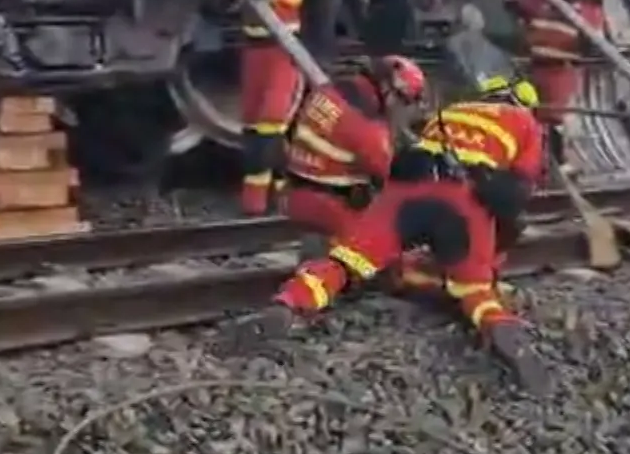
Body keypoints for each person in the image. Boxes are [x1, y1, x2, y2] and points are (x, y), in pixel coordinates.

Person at [236, 76, 552, 392]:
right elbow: (516, 194)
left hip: (406, 192)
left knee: (347, 260)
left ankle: (288, 303)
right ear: (523, 104)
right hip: (463, 202)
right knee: (475, 291)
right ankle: (500, 327)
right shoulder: (526, 123)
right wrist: (492, 251)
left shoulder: (453, 111)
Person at [274, 55, 427, 233]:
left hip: (292, 193)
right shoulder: (369, 127)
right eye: (403, 101)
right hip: (329, 208)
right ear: (387, 89)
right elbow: (386, 175)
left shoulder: (331, 89)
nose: (401, 108)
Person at [225, 0, 309, 216]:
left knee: (268, 130)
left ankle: (258, 204)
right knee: (253, 130)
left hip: (281, 55)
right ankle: (276, 198)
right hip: (255, 54)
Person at [505, 0, 608, 170]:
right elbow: (512, 2)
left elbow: (596, 46)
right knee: (521, 114)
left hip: (561, 72)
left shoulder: (591, 12)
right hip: (530, 68)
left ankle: (559, 164)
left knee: (553, 119)